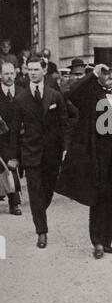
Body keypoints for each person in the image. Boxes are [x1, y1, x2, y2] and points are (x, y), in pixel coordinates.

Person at [56, 48, 112, 259]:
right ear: (99, 74)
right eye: (106, 73)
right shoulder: (90, 94)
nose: (111, 77)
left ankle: (107, 240)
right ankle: (97, 241)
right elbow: (71, 94)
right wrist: (91, 74)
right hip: (97, 155)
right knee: (98, 198)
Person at [8, 56, 68, 249]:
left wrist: (66, 147)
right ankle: (41, 232)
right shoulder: (20, 99)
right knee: (35, 193)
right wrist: (13, 156)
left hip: (52, 153)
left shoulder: (54, 95)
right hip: (31, 153)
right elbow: (15, 130)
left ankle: (40, 212)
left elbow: (64, 124)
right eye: (29, 70)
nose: (32, 73)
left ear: (44, 71)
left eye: (36, 69)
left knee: (48, 191)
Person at [0, 62, 23, 215]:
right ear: (0, 75)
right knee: (7, 167)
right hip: (1, 137)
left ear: (15, 74)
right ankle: (14, 203)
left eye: (11, 73)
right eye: (6, 74)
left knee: (15, 167)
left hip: (18, 137)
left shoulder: (22, 92)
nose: (9, 77)